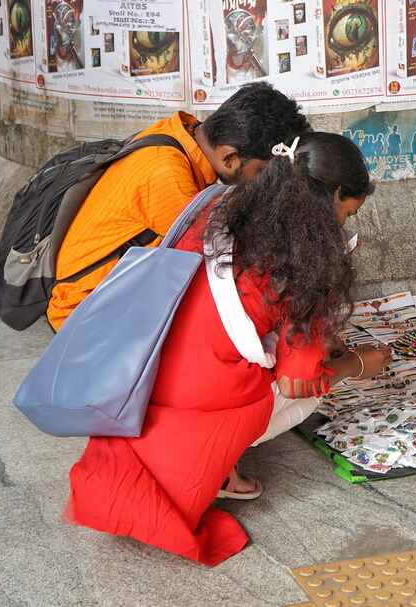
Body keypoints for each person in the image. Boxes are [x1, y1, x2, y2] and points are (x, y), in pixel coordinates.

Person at [66, 132, 391, 566]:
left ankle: (223, 461)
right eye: (348, 213)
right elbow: (297, 383)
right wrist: (357, 364)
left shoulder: (222, 209)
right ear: (333, 196)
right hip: (204, 400)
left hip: (143, 377)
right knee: (313, 388)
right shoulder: (306, 264)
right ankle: (220, 459)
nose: (344, 226)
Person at [47, 82, 310, 331]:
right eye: (262, 172)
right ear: (229, 157)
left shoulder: (181, 134)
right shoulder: (168, 175)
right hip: (83, 313)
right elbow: (217, 267)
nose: (263, 181)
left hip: (111, 294)